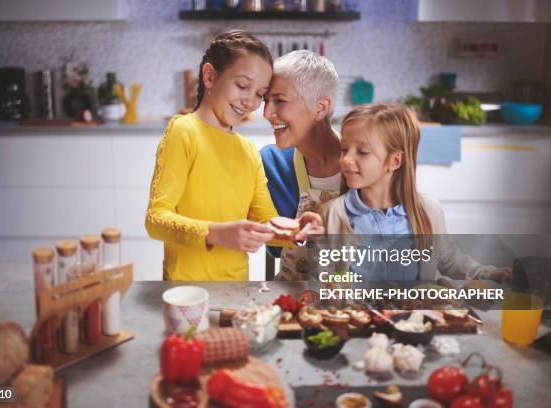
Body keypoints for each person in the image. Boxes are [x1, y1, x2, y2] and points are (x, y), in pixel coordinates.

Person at [145, 31, 322, 281]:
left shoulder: (248, 151)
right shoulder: (184, 131)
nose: (250, 102)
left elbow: (265, 223)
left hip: (238, 291)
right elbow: (156, 219)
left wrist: (296, 230)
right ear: (209, 76)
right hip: (186, 291)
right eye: (242, 85)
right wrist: (216, 233)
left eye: (260, 93)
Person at [320, 103, 509, 282]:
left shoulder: (427, 211)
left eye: (362, 151)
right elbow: (322, 275)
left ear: (395, 161)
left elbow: (450, 259)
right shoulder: (332, 214)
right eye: (344, 150)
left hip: (412, 316)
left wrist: (490, 273)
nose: (346, 159)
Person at [261, 50, 345, 280]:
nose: (266, 113)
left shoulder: (364, 161)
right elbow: (275, 249)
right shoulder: (270, 163)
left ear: (320, 107)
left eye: (279, 100)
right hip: (292, 298)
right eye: (265, 101)